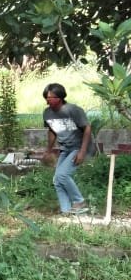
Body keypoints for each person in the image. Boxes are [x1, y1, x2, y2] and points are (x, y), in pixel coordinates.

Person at [42, 83, 94, 215]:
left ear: (59, 97)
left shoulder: (73, 110)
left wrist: (82, 152)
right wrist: (48, 150)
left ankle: (79, 201)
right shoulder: (47, 113)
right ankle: (66, 210)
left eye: (51, 97)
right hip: (65, 148)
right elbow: (52, 130)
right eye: (46, 97)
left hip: (79, 147)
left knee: (62, 175)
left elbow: (87, 128)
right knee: (57, 180)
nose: (48, 100)